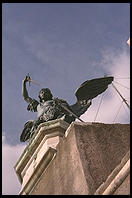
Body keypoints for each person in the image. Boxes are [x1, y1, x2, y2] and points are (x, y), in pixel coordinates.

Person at [20, 75, 75, 142]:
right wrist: (24, 83)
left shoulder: (55, 102)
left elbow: (67, 109)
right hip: (42, 121)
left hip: (55, 117)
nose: (44, 93)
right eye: (42, 92)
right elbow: (25, 97)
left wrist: (59, 104)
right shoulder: (37, 105)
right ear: (39, 96)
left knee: (63, 116)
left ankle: (62, 119)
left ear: (50, 95)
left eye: (46, 92)